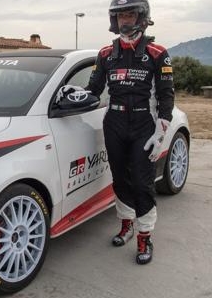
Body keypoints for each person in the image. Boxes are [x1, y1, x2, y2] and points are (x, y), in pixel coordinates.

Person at [59, 0, 174, 265]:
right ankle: (127, 225)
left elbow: (167, 97)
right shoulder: (106, 54)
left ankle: (145, 235)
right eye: (120, 15)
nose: (124, 20)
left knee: (143, 182)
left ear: (142, 17)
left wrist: (161, 131)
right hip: (115, 122)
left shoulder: (158, 53)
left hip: (145, 123)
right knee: (120, 178)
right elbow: (93, 89)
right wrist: (74, 95)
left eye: (130, 14)